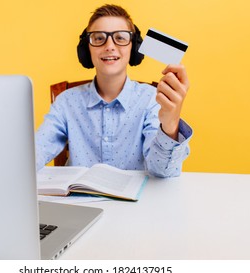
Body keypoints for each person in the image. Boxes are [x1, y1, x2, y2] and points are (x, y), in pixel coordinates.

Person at [36, 4, 193, 178]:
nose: (109, 46)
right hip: (79, 201)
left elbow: (163, 172)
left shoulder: (152, 99)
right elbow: (37, 150)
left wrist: (170, 125)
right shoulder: (66, 102)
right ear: (86, 49)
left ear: (133, 47)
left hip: (136, 204)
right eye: (98, 38)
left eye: (120, 37)